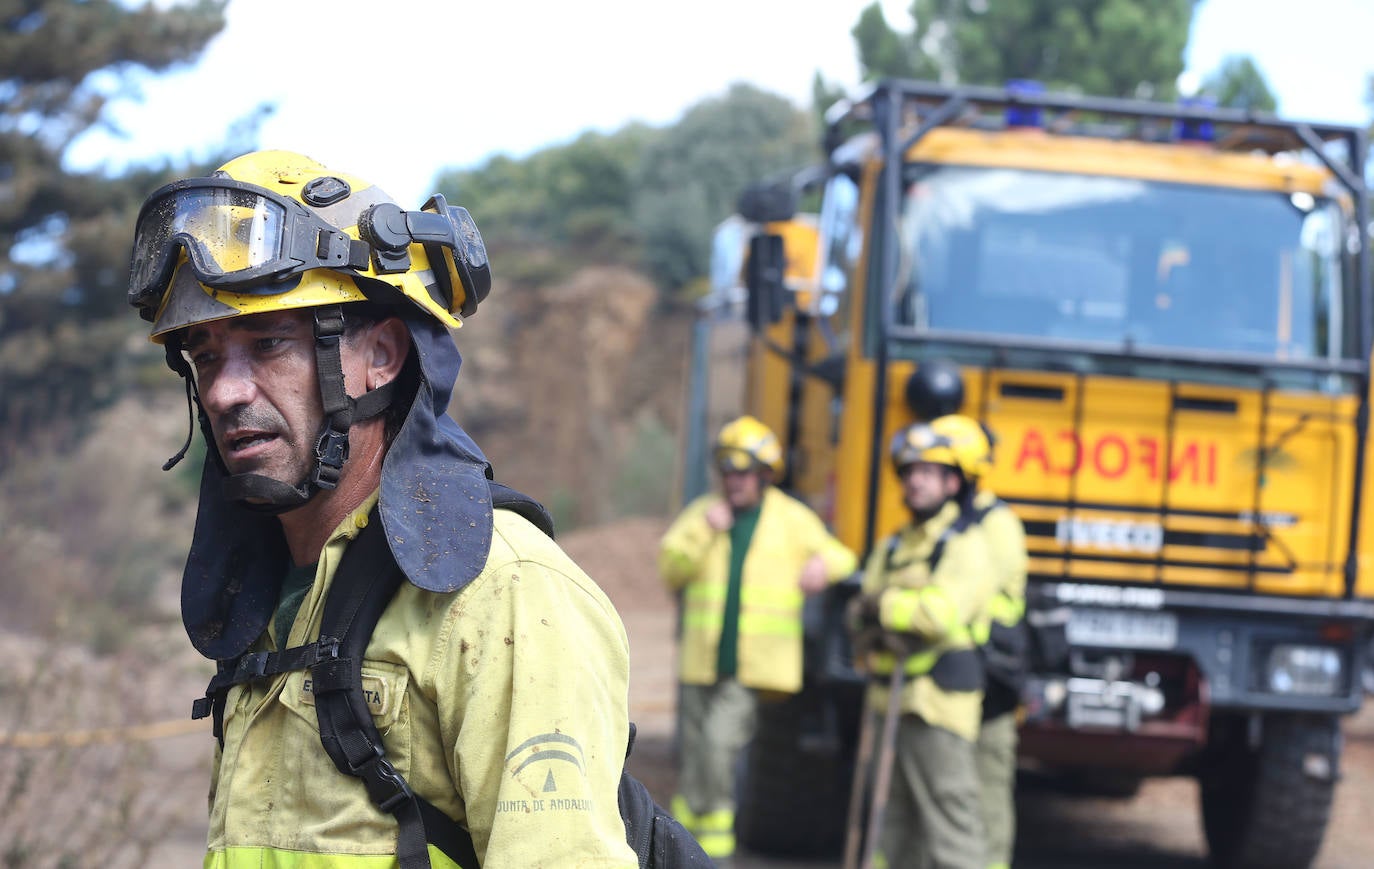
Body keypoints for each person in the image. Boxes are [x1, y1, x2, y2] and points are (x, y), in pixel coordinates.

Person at [127, 150, 640, 867]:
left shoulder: (505, 593)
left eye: (268, 343)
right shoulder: (268, 601)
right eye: (205, 355)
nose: (223, 392)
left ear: (382, 356)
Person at [658, 415, 857, 863]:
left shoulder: (790, 519)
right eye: (727, 472)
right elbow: (670, 568)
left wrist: (823, 566)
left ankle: (714, 853)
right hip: (701, 660)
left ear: (765, 475)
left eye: (744, 472)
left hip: (752, 666)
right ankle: (680, 847)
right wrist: (704, 531)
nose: (734, 481)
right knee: (695, 757)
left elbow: (843, 556)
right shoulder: (704, 514)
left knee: (717, 746)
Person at [847, 415, 998, 869]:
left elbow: (939, 615)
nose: (915, 481)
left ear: (953, 482)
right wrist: (875, 614)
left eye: (928, 472)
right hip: (887, 702)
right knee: (890, 828)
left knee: (950, 828)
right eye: (910, 471)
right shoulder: (893, 546)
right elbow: (859, 609)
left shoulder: (965, 545)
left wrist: (884, 606)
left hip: (937, 707)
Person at [950, 417, 1028, 869]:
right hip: (954, 676)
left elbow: (963, 600)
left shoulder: (994, 525)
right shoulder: (945, 524)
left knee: (986, 791)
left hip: (990, 678)